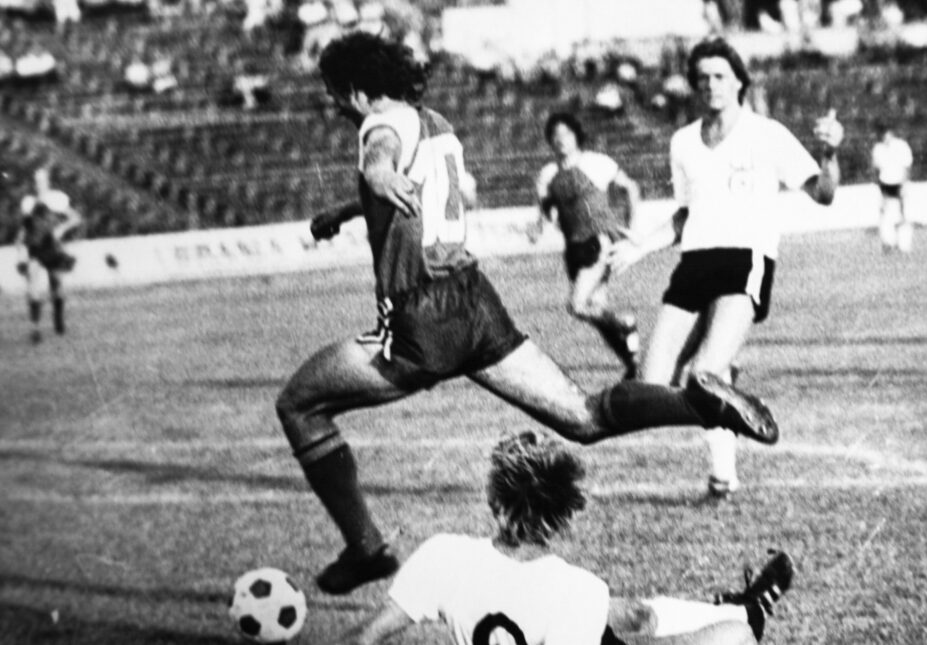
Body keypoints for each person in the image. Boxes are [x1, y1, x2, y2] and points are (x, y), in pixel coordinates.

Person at [275, 32, 780, 597]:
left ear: (356, 89)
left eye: (335, 93)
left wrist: (376, 175)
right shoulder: (435, 123)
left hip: (422, 318)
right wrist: (352, 208)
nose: (335, 106)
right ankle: (700, 403)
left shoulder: (379, 125)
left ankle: (366, 547)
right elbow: (411, 186)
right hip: (474, 302)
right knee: (584, 417)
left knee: (299, 404)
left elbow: (382, 158)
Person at [609, 37, 843, 500]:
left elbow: (823, 192)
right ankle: (730, 397)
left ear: (739, 81)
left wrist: (831, 152)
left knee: (705, 378)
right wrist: (641, 247)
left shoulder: (766, 133)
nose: (711, 85)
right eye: (702, 78)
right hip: (694, 262)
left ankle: (722, 470)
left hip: (744, 259)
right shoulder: (682, 142)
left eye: (720, 76)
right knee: (650, 388)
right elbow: (685, 213)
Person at [340, 432, 796, 645]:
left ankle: (741, 607)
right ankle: (742, 613)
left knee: (632, 614)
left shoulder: (442, 555)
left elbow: (362, 638)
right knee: (734, 636)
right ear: (565, 516)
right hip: (581, 621)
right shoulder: (577, 589)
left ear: (494, 501)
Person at [532, 112, 643, 380]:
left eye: (566, 134)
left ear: (577, 136)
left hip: (599, 241)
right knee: (598, 308)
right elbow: (547, 211)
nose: (561, 140)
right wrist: (539, 226)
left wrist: (632, 226)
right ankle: (632, 365)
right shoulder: (547, 174)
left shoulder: (597, 163)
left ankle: (625, 323)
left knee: (578, 305)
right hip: (574, 247)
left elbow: (631, 188)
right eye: (555, 136)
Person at [16, 165, 82, 344]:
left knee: (56, 286)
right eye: (36, 180)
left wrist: (61, 228)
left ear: (47, 181)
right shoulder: (28, 202)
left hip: (52, 247)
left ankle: (58, 318)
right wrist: (19, 242)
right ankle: (35, 328)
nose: (39, 184)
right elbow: (25, 226)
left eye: (42, 180)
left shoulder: (57, 198)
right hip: (35, 248)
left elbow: (76, 218)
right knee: (33, 285)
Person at [870, 122, 913, 253]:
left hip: (899, 182)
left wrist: (904, 184)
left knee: (903, 213)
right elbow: (876, 168)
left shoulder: (902, 146)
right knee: (885, 212)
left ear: (892, 133)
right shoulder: (878, 148)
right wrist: (879, 186)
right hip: (885, 183)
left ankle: (904, 244)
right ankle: (888, 242)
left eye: (887, 134)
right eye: (882, 135)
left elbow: (907, 166)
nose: (885, 137)